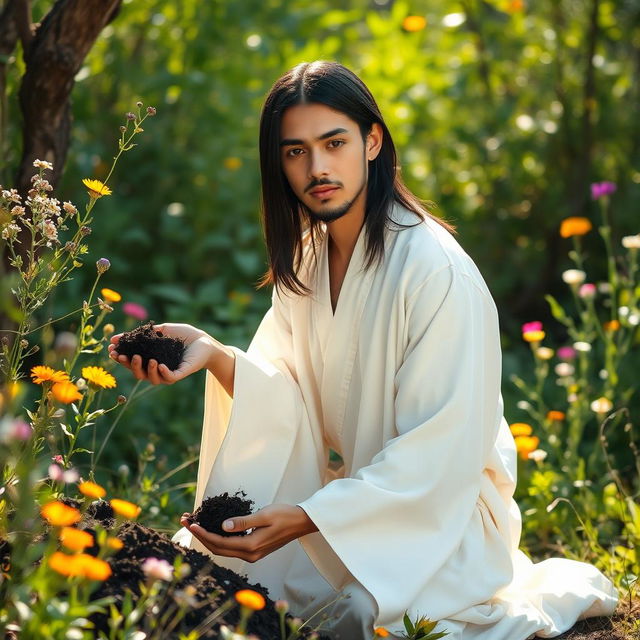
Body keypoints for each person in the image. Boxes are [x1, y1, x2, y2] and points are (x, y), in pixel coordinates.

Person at [109, 61, 618, 639]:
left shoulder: (435, 271)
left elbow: (440, 452)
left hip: (440, 518)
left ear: (372, 141)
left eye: (334, 143)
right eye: (295, 151)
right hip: (342, 506)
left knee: (352, 617)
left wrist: (307, 518)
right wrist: (214, 356)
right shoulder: (307, 256)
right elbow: (289, 392)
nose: (317, 168)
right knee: (201, 574)